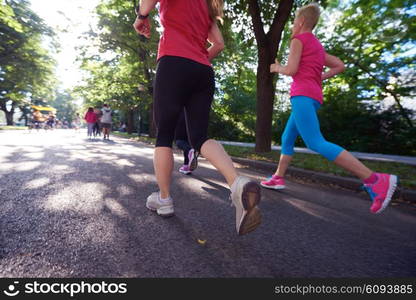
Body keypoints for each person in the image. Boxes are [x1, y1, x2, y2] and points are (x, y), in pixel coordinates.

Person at [133, 0, 261, 235]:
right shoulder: (207, 4)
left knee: (164, 135)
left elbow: (146, 4)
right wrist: (198, 59)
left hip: (173, 62)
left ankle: (164, 199)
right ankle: (236, 182)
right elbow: (219, 44)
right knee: (200, 137)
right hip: (203, 71)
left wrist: (141, 17)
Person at [260, 3, 398, 214]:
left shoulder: (298, 40)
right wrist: (319, 77)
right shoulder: (316, 45)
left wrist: (277, 67)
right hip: (312, 96)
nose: (292, 27)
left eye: (294, 22)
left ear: (301, 21)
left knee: (315, 142)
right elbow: (340, 65)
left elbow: (291, 69)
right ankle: (278, 178)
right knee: (288, 137)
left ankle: (375, 179)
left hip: (302, 95)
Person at [174, 110, 197, 175]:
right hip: (191, 125)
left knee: (178, 141)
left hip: (181, 120)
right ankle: (186, 167)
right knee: (186, 144)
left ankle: (190, 151)